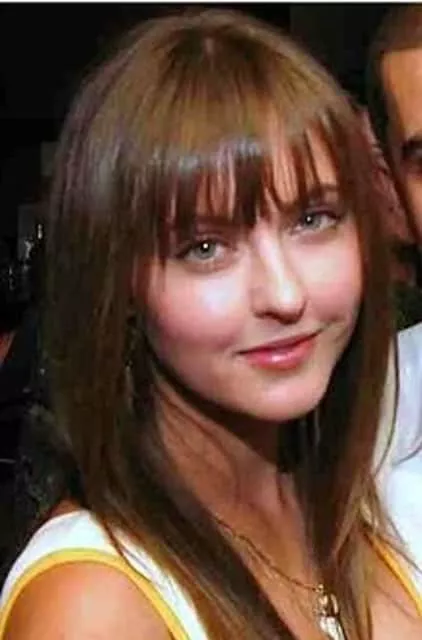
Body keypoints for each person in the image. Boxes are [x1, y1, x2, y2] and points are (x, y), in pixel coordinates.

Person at [0, 9, 421, 639]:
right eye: (205, 248)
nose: (285, 294)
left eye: (313, 220)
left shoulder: (353, 512)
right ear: (119, 281)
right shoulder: (93, 605)